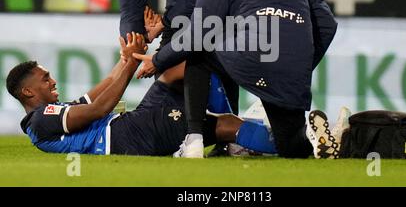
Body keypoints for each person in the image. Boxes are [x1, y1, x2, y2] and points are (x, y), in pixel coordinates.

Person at [133, 0, 338, 158]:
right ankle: (321, 139)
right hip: (292, 68)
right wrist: (301, 65)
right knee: (291, 146)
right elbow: (327, 25)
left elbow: (198, 32)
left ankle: (194, 139)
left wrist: (157, 60)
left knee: (199, 52)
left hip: (252, 57)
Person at [96, 0, 240, 156]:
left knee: (207, 56)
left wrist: (165, 22)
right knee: (165, 64)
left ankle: (230, 139)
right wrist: (132, 45)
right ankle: (184, 130)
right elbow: (130, 12)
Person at [6, 33, 276, 157]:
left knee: (174, 71)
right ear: (28, 91)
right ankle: (296, 145)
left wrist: (135, 50)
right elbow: (100, 108)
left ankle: (237, 140)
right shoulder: (42, 121)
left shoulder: (51, 114)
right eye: (45, 79)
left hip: (129, 125)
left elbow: (109, 82)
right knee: (224, 125)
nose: (53, 81)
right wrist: (133, 65)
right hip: (128, 137)